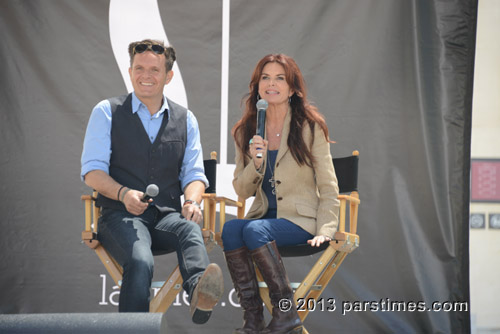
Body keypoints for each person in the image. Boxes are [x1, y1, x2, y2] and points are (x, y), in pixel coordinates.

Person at [80, 39, 223, 324]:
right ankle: (132, 331)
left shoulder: (186, 119)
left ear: (168, 76)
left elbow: (194, 174)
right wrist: (122, 194)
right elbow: (92, 172)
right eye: (139, 68)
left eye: (154, 70)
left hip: (165, 216)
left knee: (189, 231)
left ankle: (199, 293)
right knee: (141, 261)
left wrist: (193, 200)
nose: (146, 75)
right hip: (119, 216)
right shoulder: (106, 112)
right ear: (130, 71)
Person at [222, 54, 340, 334]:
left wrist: (326, 227)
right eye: (265, 77)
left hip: (301, 220)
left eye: (279, 78)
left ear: (293, 89)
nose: (271, 84)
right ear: (257, 86)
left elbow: (328, 184)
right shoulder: (246, 131)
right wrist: (256, 162)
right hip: (264, 218)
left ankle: (286, 313)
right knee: (231, 229)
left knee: (254, 231)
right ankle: (252, 318)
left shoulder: (310, 126)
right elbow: (241, 190)